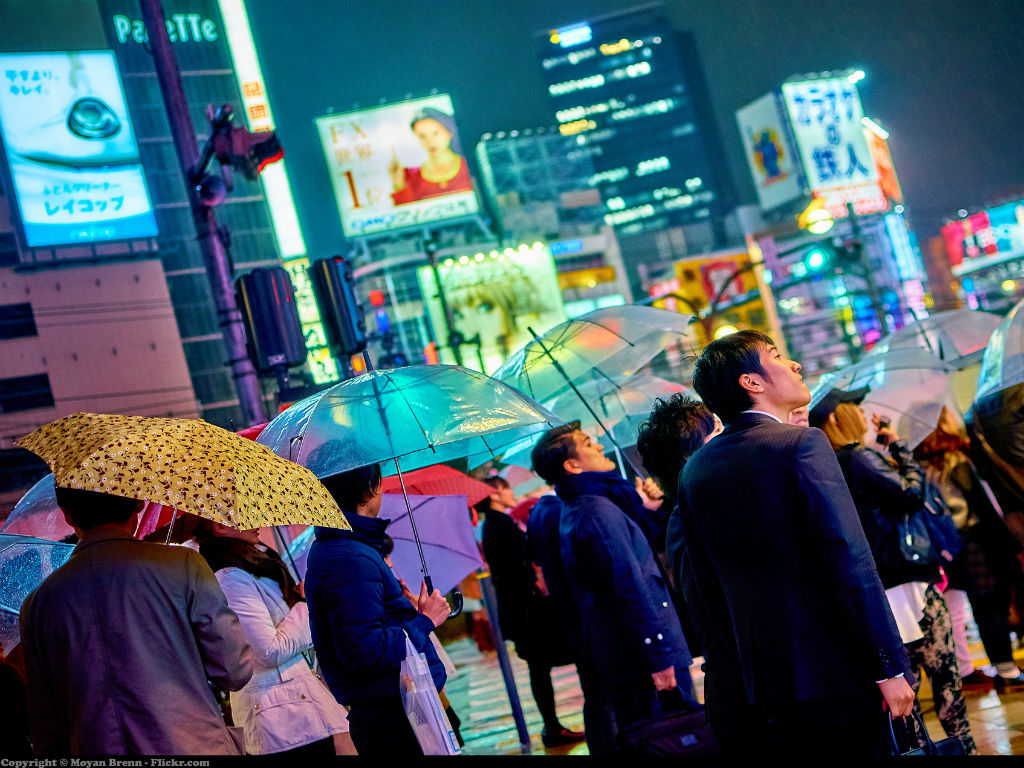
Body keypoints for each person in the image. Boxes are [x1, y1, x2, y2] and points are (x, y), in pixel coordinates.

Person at [666, 330, 915, 757]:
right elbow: (850, 559)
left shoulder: (696, 469)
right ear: (752, 382)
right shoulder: (801, 443)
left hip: (768, 679)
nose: (795, 364)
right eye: (777, 356)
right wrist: (889, 665)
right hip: (839, 670)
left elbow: (708, 587)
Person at [19, 487, 254, 755]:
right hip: (194, 746)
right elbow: (235, 670)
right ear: (139, 504)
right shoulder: (183, 565)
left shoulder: (39, 604)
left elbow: (46, 728)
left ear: (68, 515)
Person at [813, 393, 976, 753]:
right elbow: (911, 494)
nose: (862, 412)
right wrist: (900, 448)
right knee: (945, 683)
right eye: (854, 407)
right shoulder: (857, 456)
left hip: (879, 587)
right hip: (907, 580)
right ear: (838, 419)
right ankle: (965, 750)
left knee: (908, 700)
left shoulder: (824, 465)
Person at [531, 421, 698, 750]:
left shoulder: (589, 505)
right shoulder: (594, 513)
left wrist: (646, 510)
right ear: (572, 465)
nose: (598, 447)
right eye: (587, 444)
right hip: (644, 658)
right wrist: (658, 657)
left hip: (631, 653)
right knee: (668, 740)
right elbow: (627, 589)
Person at [305, 463, 452, 756]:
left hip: (393, 705)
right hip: (392, 714)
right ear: (368, 489)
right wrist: (424, 621)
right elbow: (365, 650)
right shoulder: (348, 557)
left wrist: (408, 613)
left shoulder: (344, 548)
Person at [639, 394, 755, 751]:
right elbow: (728, 616)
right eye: (717, 430)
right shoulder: (689, 521)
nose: (729, 435)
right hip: (749, 698)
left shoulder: (704, 510)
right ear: (691, 459)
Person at [194, 520, 355, 756]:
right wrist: (303, 605)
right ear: (219, 527)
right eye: (243, 514)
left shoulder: (255, 566)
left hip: (296, 710)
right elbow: (269, 651)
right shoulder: (230, 578)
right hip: (280, 719)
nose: (255, 521)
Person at [914, 404, 1024, 691]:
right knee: (992, 605)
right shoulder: (956, 460)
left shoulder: (921, 465)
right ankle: (1007, 670)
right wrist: (1010, 539)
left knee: (980, 606)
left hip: (950, 545)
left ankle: (1003, 667)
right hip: (978, 540)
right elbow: (982, 506)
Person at [478, 476, 583, 749]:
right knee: (540, 665)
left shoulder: (498, 524)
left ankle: (553, 726)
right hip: (525, 609)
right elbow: (516, 565)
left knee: (540, 666)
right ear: (495, 494)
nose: (512, 493)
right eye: (507, 488)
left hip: (522, 609)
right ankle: (552, 727)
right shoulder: (498, 525)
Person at [389, 107, 473, 205]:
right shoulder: (410, 176)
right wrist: (398, 183)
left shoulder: (469, 165)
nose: (430, 141)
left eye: (435, 133)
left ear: (449, 132)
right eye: (422, 136)